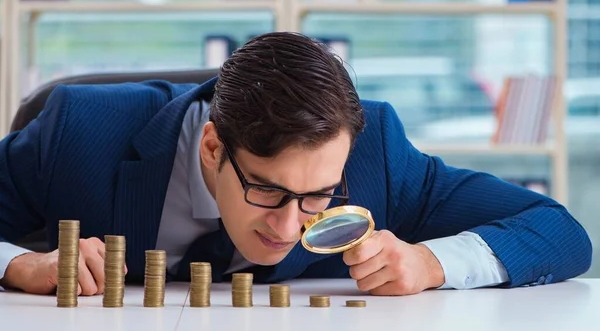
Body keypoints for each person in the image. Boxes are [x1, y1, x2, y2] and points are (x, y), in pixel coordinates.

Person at [0, 32, 592, 297]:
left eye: (319, 196)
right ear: (212, 148)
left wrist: (432, 261)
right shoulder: (79, 132)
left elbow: (557, 230)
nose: (290, 228)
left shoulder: (376, 148)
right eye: (266, 189)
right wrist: (19, 265)